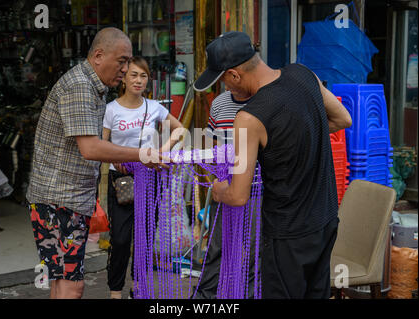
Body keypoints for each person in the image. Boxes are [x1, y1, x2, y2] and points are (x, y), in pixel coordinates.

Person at [194, 31, 352, 299]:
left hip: (287, 234)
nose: (225, 89)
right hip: (325, 220)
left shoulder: (249, 117)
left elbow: (238, 195)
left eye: (223, 82)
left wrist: (218, 189)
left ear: (234, 75)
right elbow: (342, 119)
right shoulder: (304, 75)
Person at [26, 28, 166, 299]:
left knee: (60, 281)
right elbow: (90, 148)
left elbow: (91, 147)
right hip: (61, 200)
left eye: (129, 62)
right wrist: (143, 155)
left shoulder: (94, 87)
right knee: (73, 286)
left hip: (58, 198)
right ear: (99, 55)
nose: (125, 70)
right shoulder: (80, 86)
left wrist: (123, 159)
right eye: (122, 61)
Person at [102, 56, 183, 299]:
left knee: (145, 237)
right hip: (122, 182)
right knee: (120, 239)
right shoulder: (111, 110)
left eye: (143, 76)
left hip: (150, 181)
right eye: (134, 75)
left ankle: (138, 287)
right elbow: (101, 144)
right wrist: (113, 155)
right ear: (124, 78)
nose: (139, 80)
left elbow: (180, 129)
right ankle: (115, 291)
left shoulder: (155, 107)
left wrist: (163, 150)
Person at [194, 87, 257, 299]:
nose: (228, 80)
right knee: (216, 247)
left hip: (258, 189)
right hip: (224, 187)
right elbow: (214, 145)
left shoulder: (265, 101)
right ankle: (205, 297)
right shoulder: (220, 103)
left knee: (253, 252)